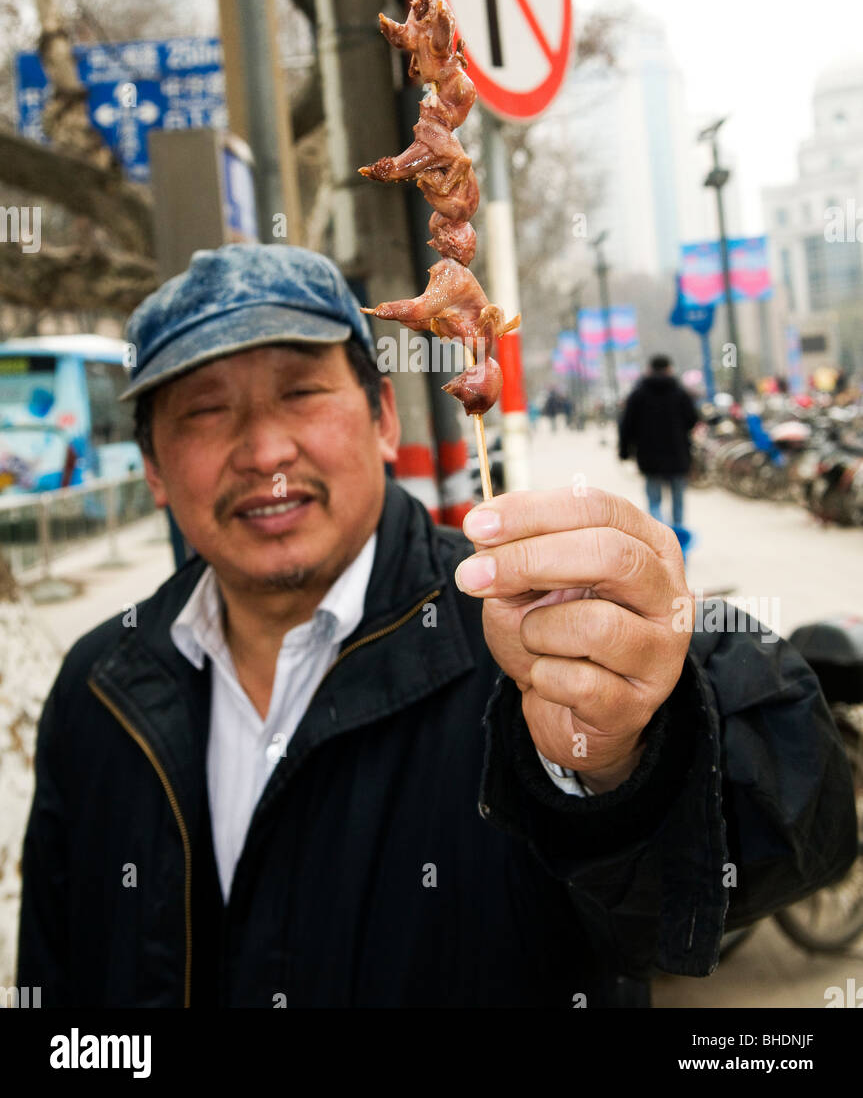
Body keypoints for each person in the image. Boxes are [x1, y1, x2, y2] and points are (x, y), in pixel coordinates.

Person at [17, 245, 856, 1009]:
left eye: (301, 392)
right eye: (204, 410)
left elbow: (784, 835)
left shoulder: (523, 629)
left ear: (384, 417)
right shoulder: (101, 687)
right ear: (156, 470)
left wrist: (630, 748)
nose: (264, 448)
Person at [618, 355, 699, 530]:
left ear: (649, 369)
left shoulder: (638, 394)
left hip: (649, 456)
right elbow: (692, 420)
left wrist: (624, 451)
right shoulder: (680, 392)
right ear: (669, 369)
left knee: (654, 499)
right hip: (677, 454)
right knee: (677, 498)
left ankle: (660, 535)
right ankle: (678, 537)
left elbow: (626, 426)